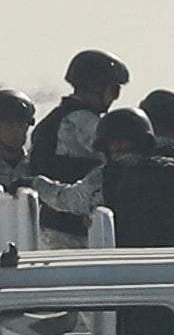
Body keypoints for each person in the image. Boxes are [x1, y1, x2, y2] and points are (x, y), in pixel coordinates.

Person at [23, 47, 133, 241]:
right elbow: (127, 158)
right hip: (77, 232)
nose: (115, 97)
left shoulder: (54, 120)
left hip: (51, 227)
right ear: (96, 86)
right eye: (114, 89)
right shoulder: (82, 121)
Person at [80, 104, 174, 250]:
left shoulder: (101, 179)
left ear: (105, 148)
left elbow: (65, 198)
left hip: (124, 267)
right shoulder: (173, 172)